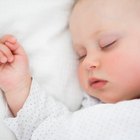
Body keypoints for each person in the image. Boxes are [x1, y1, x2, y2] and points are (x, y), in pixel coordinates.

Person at [0, 0, 140, 139]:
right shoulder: (88, 112)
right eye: (81, 55)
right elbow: (42, 127)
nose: (88, 62)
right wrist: (18, 86)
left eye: (107, 44)